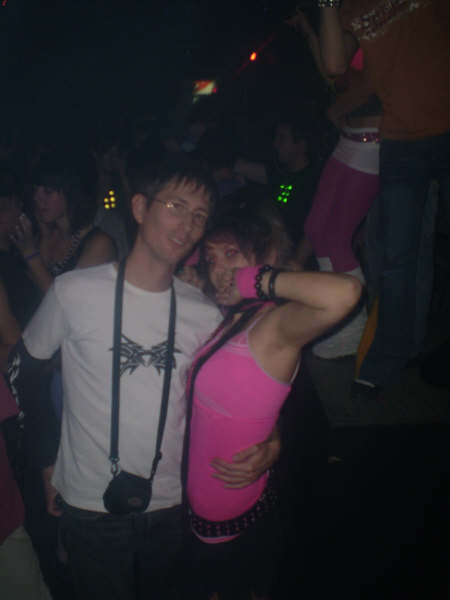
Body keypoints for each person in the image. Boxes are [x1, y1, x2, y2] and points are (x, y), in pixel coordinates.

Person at [8, 158, 281, 600]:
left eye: (199, 216)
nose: (187, 225)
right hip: (90, 504)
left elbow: (241, 389)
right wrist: (44, 456)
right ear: (138, 207)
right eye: (176, 206)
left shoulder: (204, 313)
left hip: (174, 502)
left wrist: (274, 438)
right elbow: (25, 373)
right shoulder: (74, 291)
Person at [184, 203, 362, 598]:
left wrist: (254, 280)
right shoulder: (233, 317)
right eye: (212, 258)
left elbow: (346, 293)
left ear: (266, 256)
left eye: (232, 253)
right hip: (215, 504)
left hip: (225, 513)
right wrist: (274, 436)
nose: (219, 268)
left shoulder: (273, 325)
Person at [318, 0, 450, 397]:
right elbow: (336, 65)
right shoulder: (347, 8)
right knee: (395, 259)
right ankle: (387, 359)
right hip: (401, 140)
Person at [287, 11, 382, 358]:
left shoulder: (372, 19)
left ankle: (351, 328)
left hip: (372, 142)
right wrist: (308, 32)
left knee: (337, 237)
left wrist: (341, 105)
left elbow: (372, 84)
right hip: (349, 140)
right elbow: (332, 71)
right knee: (316, 227)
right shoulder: (343, 22)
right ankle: (337, 321)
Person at [11, 150, 116, 294]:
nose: (37, 198)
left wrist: (30, 254)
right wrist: (44, 239)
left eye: (48, 191)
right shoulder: (45, 234)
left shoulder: (99, 244)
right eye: (35, 190)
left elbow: (65, 300)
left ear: (71, 192)